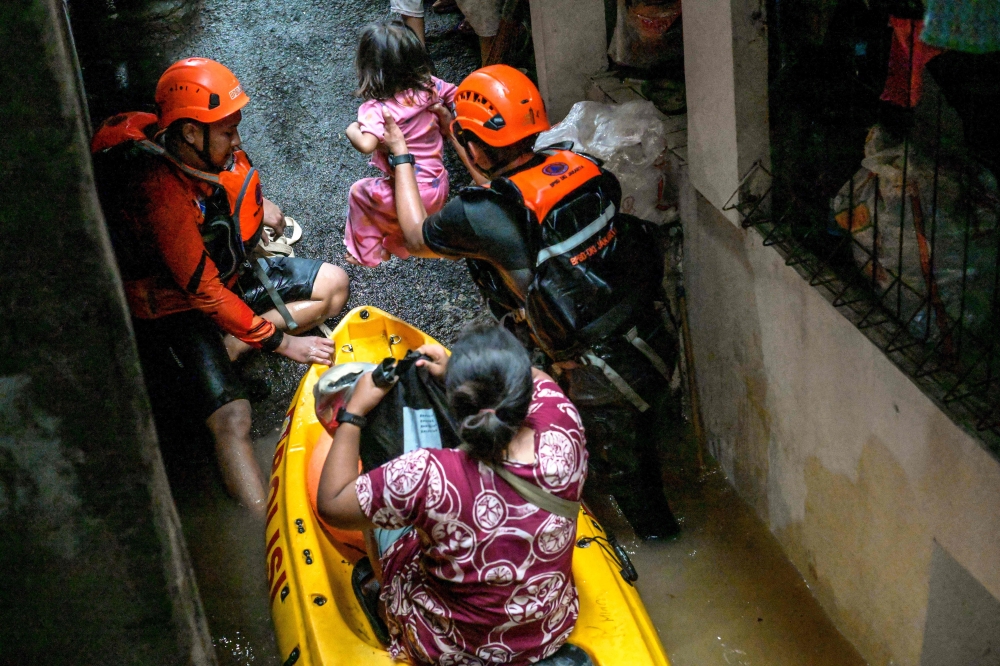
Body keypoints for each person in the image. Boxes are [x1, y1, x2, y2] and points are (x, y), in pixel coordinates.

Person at [380, 64, 681, 540]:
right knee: (641, 455)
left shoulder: (480, 216)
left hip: (600, 371)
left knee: (633, 493)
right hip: (649, 331)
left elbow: (417, 235)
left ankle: (655, 552)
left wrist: (401, 157)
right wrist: (461, 136)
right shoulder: (579, 165)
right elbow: (505, 189)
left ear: (473, 141)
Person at [90, 58, 349, 517]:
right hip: (178, 310)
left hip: (223, 280)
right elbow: (204, 293)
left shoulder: (201, 156)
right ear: (190, 133)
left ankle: (232, 343)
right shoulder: (162, 195)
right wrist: (282, 342)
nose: (237, 140)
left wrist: (260, 205)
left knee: (334, 286)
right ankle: (260, 519)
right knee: (233, 419)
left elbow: (228, 198)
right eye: (227, 132)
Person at [317, 325, 586, 664]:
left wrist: (353, 414)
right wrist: (453, 367)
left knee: (383, 511)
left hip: (456, 649)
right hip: (549, 627)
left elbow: (332, 505)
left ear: (457, 401)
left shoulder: (429, 475)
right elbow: (536, 376)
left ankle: (386, 599)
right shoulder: (564, 421)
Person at [343, 20, 463, 267]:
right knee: (391, 207)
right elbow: (458, 95)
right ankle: (391, 246)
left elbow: (366, 144)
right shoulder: (431, 86)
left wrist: (351, 129)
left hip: (412, 191)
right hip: (438, 184)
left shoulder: (377, 109)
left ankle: (365, 254)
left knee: (360, 193)